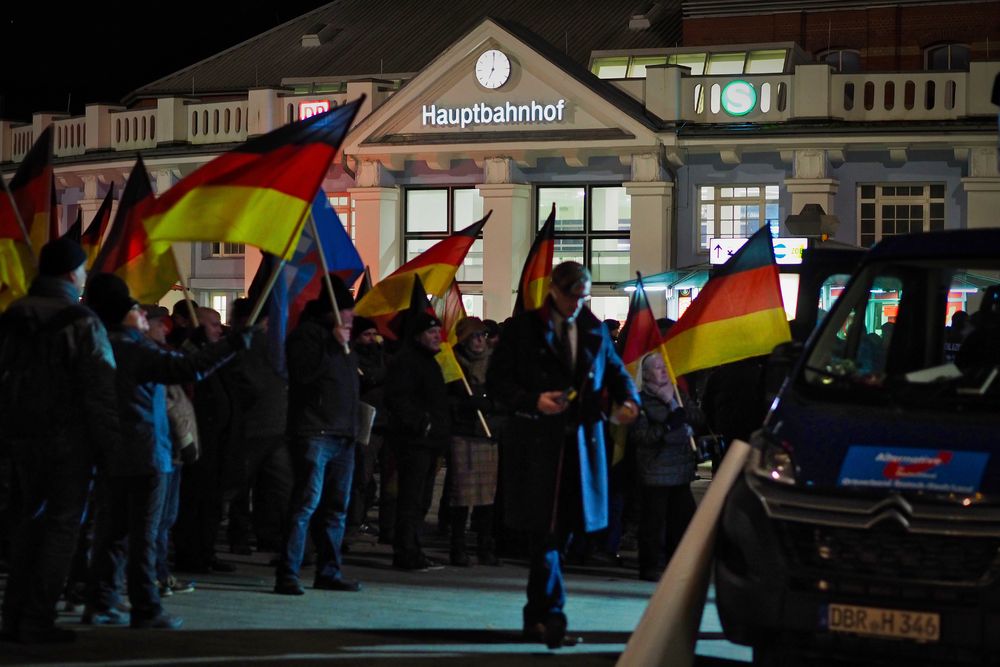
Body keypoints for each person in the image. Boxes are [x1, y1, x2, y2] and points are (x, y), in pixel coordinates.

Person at [82, 273, 249, 630]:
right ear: (124, 315)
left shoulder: (99, 344)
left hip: (112, 450)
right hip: (145, 450)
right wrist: (231, 345)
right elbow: (186, 369)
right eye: (138, 312)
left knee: (111, 531)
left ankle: (101, 601)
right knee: (144, 532)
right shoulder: (134, 348)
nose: (145, 318)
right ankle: (146, 606)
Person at [487, 261, 639, 649]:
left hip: (583, 444)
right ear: (554, 289)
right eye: (572, 295)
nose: (577, 303)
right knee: (546, 533)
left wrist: (628, 401)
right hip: (540, 444)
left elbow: (617, 371)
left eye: (583, 296)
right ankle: (549, 616)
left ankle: (538, 616)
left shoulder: (592, 329)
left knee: (566, 531)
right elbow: (498, 381)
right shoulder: (524, 328)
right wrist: (533, 399)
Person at [0, 239, 121, 644]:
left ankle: (13, 615)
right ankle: (37, 618)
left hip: (19, 435)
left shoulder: (14, 314)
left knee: (27, 526)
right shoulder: (81, 321)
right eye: (82, 270)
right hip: (68, 440)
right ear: (72, 274)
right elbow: (100, 389)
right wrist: (110, 449)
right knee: (60, 530)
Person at [274, 276, 362, 595]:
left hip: (343, 434)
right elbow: (304, 375)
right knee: (305, 504)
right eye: (347, 310)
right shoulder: (307, 336)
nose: (352, 316)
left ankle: (329, 571)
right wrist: (332, 347)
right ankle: (288, 573)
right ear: (333, 311)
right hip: (315, 431)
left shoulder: (345, 341)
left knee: (336, 508)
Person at [173, 307, 239, 574]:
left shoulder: (218, 355)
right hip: (198, 439)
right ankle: (190, 554)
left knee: (211, 501)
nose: (219, 329)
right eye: (212, 325)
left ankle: (206, 551)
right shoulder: (187, 354)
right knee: (193, 501)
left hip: (219, 439)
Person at [384, 311, 450, 572]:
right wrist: (421, 423)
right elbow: (397, 398)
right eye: (431, 332)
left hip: (429, 442)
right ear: (417, 335)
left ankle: (414, 548)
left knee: (421, 499)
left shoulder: (429, 362)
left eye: (438, 332)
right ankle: (406, 552)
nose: (438, 337)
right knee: (411, 499)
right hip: (414, 443)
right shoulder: (408, 362)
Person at [226, 298, 292, 556]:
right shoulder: (238, 347)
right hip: (250, 428)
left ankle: (260, 535)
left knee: (269, 488)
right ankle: (246, 535)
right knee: (246, 488)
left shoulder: (270, 346)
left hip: (270, 427)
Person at [142, 304, 198, 598]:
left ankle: (159, 574)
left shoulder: (164, 353)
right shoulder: (149, 357)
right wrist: (185, 440)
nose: (164, 328)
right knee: (155, 519)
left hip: (171, 449)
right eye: (156, 323)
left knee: (165, 518)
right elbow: (169, 404)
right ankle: (150, 578)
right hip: (163, 447)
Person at [629, 352, 699, 582]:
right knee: (653, 522)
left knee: (682, 520)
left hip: (681, 470)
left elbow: (697, 418)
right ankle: (650, 565)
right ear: (647, 375)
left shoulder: (678, 395)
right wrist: (667, 428)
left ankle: (675, 564)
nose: (663, 371)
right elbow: (641, 436)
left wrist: (676, 408)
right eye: (657, 368)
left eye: (664, 367)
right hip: (656, 472)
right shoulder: (640, 401)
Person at [445, 317, 500, 567]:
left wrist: (490, 404)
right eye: (474, 336)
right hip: (463, 432)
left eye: (482, 335)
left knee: (487, 496)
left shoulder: (494, 362)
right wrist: (462, 405)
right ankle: (458, 547)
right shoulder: (453, 364)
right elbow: (443, 397)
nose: (479, 340)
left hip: (487, 434)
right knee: (461, 495)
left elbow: (505, 394)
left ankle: (485, 547)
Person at [346, 315, 387, 547]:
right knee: (361, 476)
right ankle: (354, 522)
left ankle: (365, 519)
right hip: (366, 423)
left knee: (373, 480)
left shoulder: (381, 356)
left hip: (383, 422)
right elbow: (368, 380)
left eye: (374, 334)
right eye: (366, 335)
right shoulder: (354, 356)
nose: (372, 339)